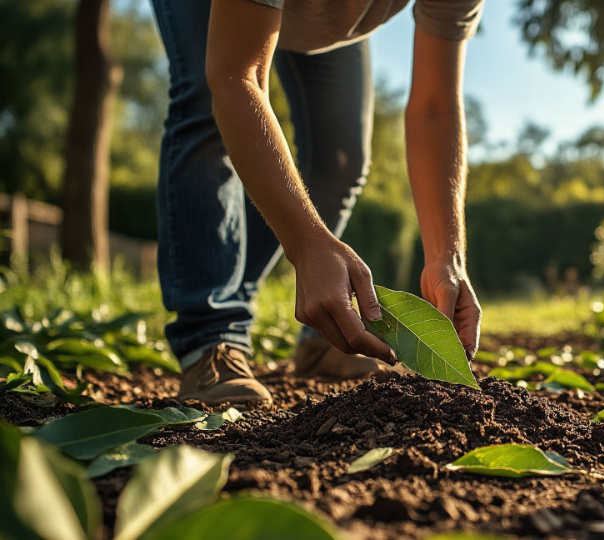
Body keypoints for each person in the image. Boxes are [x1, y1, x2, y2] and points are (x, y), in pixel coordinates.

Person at [150, 0, 484, 406]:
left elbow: (435, 106)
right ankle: (210, 335)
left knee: (341, 156)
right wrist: (305, 245)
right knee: (206, 102)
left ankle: (322, 333)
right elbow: (237, 75)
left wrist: (446, 257)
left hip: (320, 20)